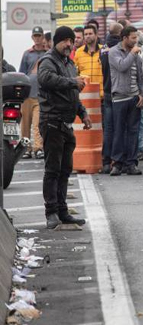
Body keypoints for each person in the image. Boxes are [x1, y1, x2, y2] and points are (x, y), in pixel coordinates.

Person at [37, 26, 92, 228]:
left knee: (65, 170)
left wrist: (83, 113)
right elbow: (46, 79)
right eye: (65, 41)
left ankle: (62, 211)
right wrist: (72, 82)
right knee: (52, 169)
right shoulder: (48, 61)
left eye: (71, 40)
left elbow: (73, 94)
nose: (69, 44)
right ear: (56, 42)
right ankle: (51, 213)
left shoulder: (69, 63)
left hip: (67, 124)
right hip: (52, 121)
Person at [108, 25, 143, 176]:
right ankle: (117, 164)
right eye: (133, 38)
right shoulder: (114, 52)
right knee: (119, 132)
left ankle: (131, 163)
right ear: (124, 38)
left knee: (133, 132)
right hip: (119, 98)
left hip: (134, 98)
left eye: (136, 37)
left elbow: (140, 77)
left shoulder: (136, 55)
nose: (136, 40)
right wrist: (132, 53)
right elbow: (121, 66)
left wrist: (142, 94)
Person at [19, 26, 48, 159]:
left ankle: (38, 148)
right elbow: (22, 73)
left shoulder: (48, 53)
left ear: (43, 37)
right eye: (35, 36)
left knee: (37, 124)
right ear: (32, 37)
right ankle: (26, 148)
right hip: (27, 96)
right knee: (25, 124)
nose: (37, 38)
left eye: (39, 36)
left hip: (40, 96)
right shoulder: (27, 54)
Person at [99, 22, 122, 174]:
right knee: (120, 128)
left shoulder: (103, 49)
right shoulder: (120, 49)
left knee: (108, 129)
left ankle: (106, 161)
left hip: (107, 90)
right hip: (119, 92)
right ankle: (117, 160)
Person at [74, 24, 103, 98]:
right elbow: (74, 72)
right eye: (86, 34)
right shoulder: (78, 52)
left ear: (96, 35)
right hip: (85, 94)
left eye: (90, 34)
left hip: (101, 94)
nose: (88, 36)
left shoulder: (103, 50)